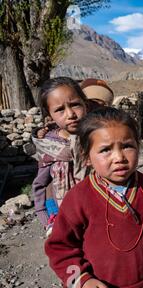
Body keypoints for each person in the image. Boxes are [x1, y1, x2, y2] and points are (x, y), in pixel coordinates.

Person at [45, 107, 143, 288]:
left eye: (127, 146)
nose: (119, 158)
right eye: (106, 150)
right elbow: (60, 247)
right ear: (86, 157)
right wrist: (82, 281)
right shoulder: (78, 198)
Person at [32, 77, 88, 236]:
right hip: (61, 215)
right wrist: (46, 219)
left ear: (86, 104)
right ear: (50, 116)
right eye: (59, 110)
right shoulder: (49, 147)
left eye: (75, 104)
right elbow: (41, 185)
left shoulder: (96, 139)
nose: (70, 114)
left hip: (96, 212)